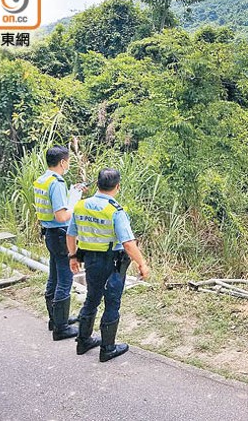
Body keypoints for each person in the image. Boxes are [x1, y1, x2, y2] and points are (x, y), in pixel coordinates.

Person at [66, 168, 149, 362]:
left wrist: (72, 257)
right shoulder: (115, 210)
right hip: (112, 262)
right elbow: (128, 244)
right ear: (117, 187)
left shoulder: (80, 206)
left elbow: (71, 235)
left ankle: (83, 341)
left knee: (92, 299)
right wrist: (142, 263)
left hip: (90, 261)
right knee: (112, 302)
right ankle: (107, 348)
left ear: (97, 184)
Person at [33, 145, 79, 341]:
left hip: (50, 234)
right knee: (65, 280)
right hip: (60, 234)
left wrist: (72, 194)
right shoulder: (57, 183)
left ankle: (55, 320)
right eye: (68, 161)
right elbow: (62, 216)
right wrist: (76, 203)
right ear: (62, 162)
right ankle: (61, 328)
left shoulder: (42, 180)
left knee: (53, 276)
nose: (68, 164)